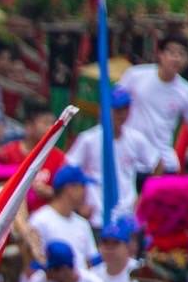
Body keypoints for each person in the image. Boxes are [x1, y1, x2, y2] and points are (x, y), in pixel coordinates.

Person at [120, 36, 188, 192]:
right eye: (172, 53)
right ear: (160, 54)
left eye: (181, 54)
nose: (176, 58)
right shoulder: (135, 76)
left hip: (164, 164)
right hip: (131, 161)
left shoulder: (185, 92)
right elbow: (112, 108)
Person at [68, 88, 176, 226]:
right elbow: (69, 169)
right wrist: (79, 204)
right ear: (105, 110)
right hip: (95, 215)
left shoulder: (135, 139)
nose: (122, 114)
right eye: (117, 110)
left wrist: (144, 197)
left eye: (125, 109)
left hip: (127, 215)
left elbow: (158, 164)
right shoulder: (88, 139)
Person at [27, 166, 98, 269]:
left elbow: (90, 262)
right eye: (82, 186)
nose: (85, 192)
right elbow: (35, 263)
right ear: (69, 189)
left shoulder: (83, 224)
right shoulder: (40, 220)